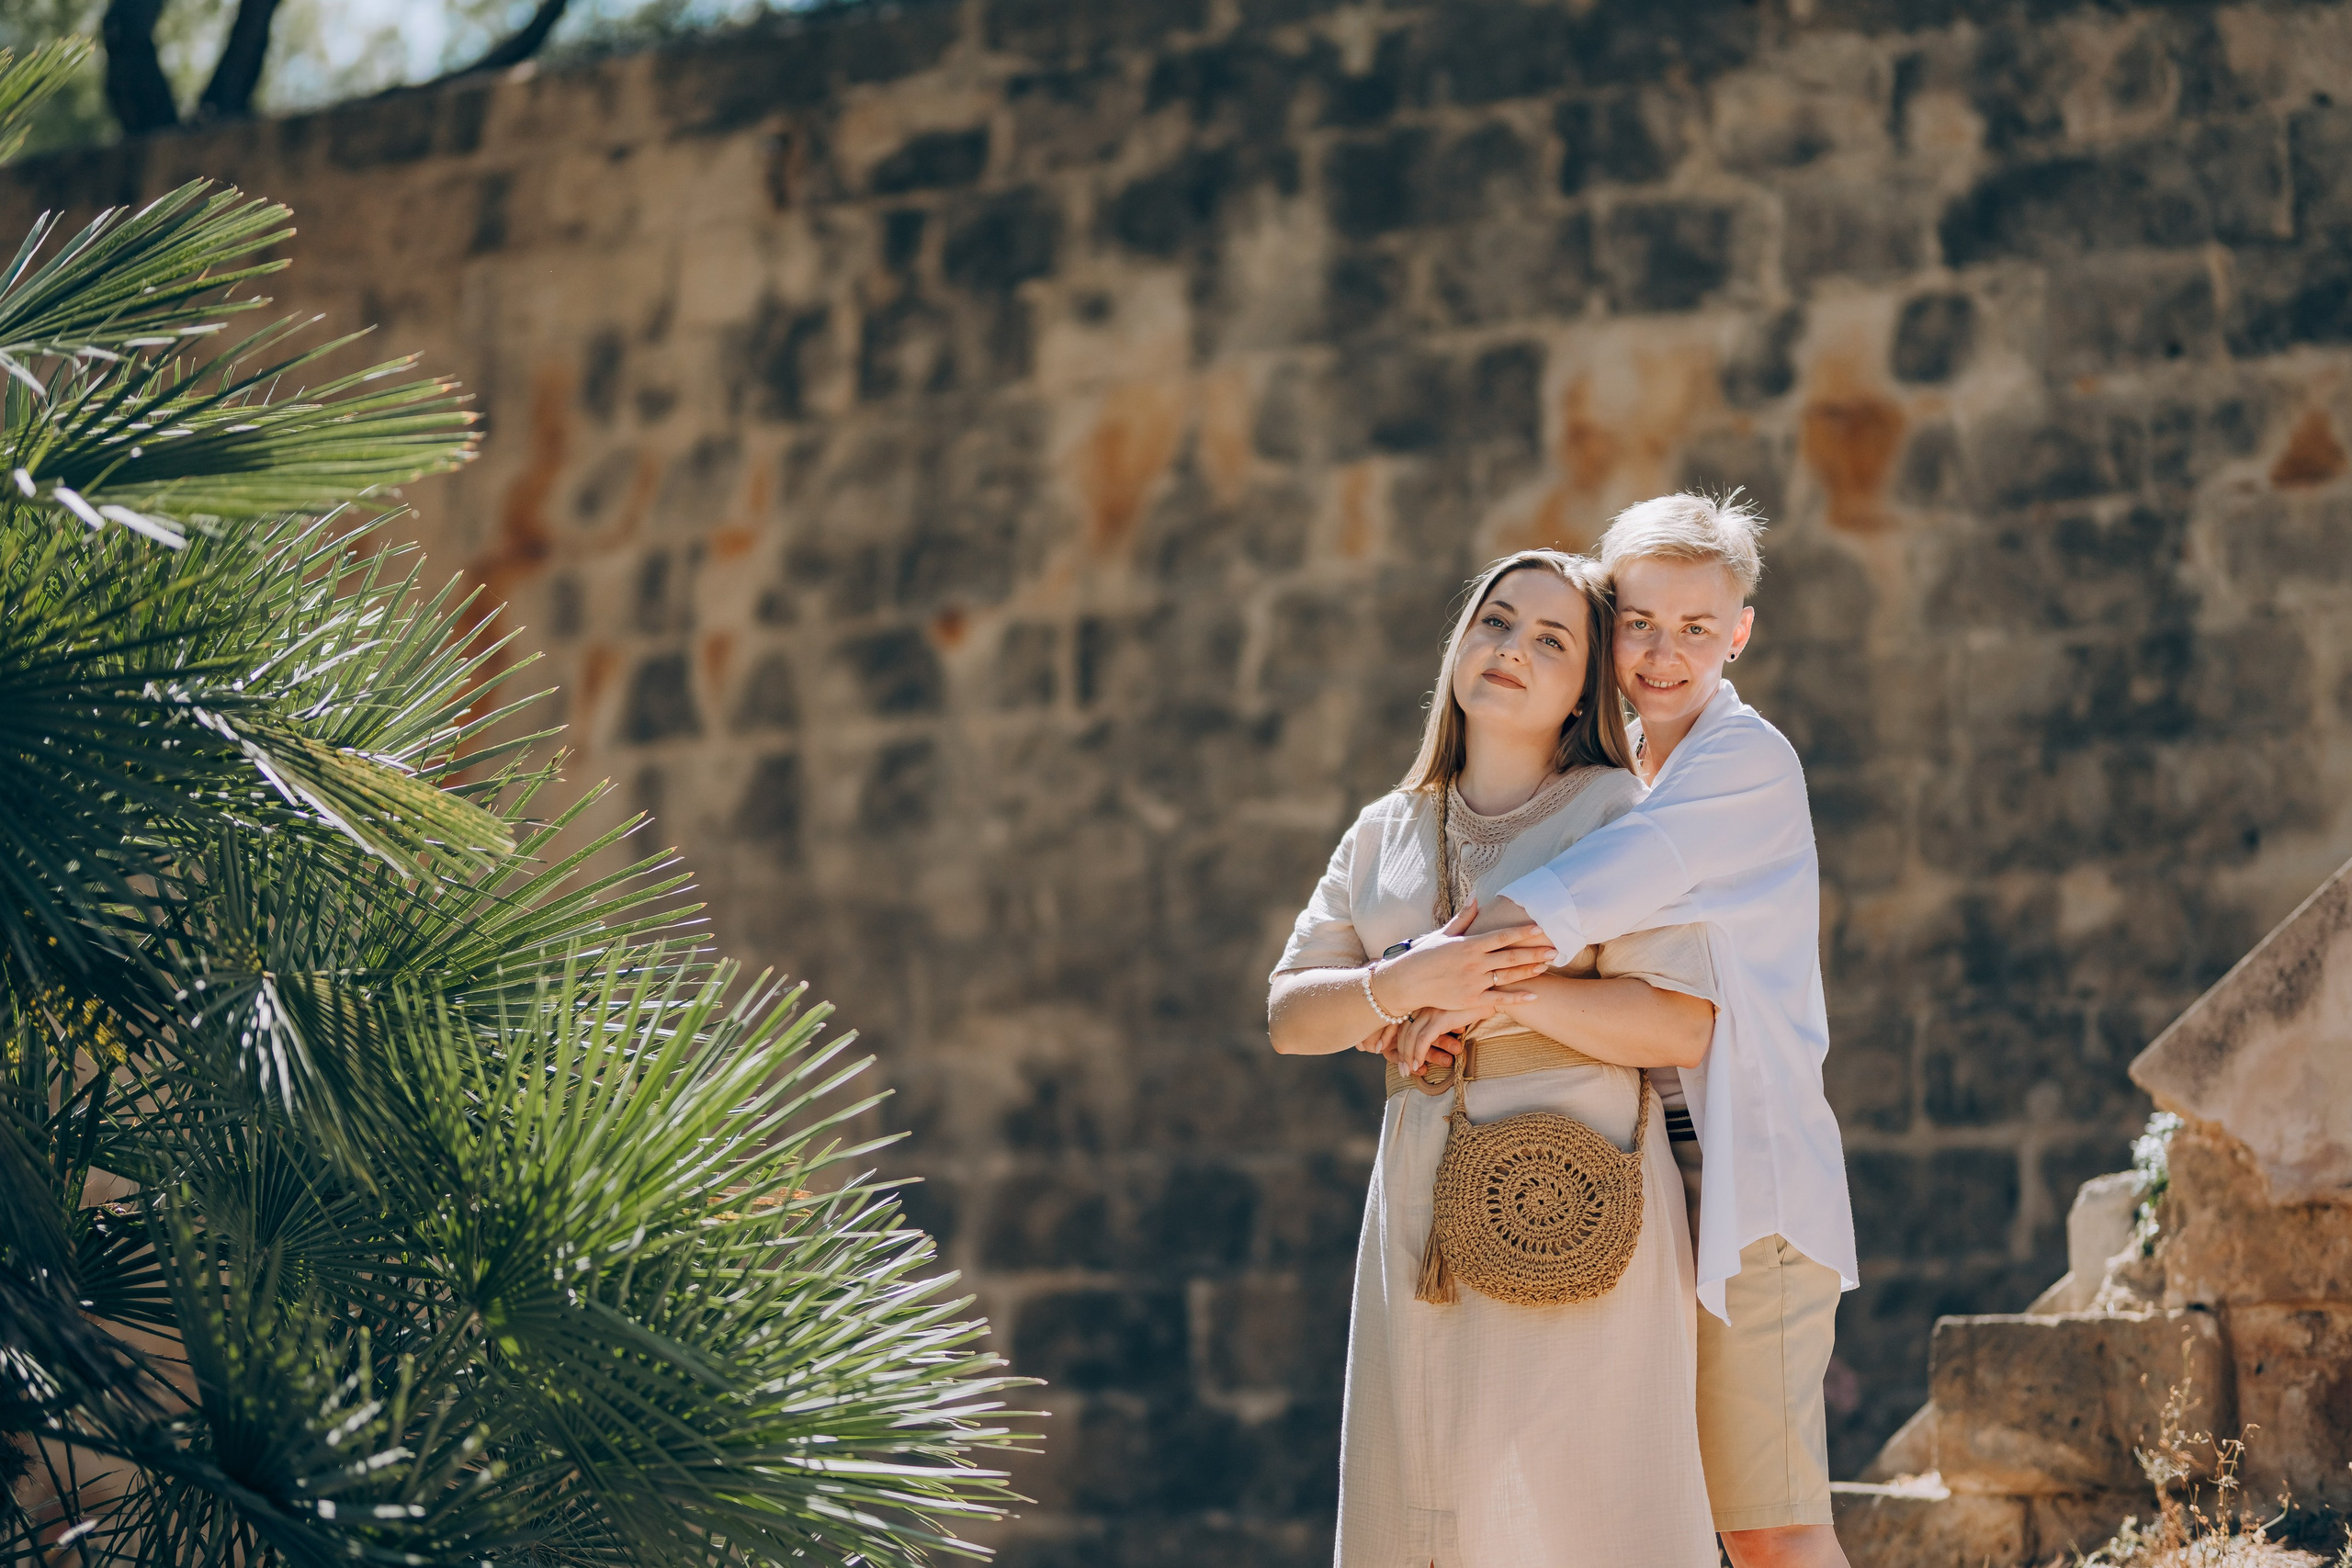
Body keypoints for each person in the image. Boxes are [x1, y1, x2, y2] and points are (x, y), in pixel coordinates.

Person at [1268, 549, 1725, 1568]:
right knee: (1423, 1493)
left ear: (1581, 689)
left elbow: (1681, 1025)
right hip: (1418, 1194)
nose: (1512, 650)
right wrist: (1403, 982)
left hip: (1576, 1193)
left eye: (1550, 641)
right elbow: (1291, 1016)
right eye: (1495, 622)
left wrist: (1492, 989)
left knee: (1576, 1505)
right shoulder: (1382, 830)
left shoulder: (1616, 811)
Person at [1456, 494, 1860, 1568]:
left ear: (1739, 633)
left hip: (1749, 1195)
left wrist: (1428, 979)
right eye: (1639, 623)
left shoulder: (1742, 763)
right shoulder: (1616, 767)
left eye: (1695, 628)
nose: (1663, 653)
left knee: (1769, 1528)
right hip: (1644, 1194)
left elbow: (1588, 892)